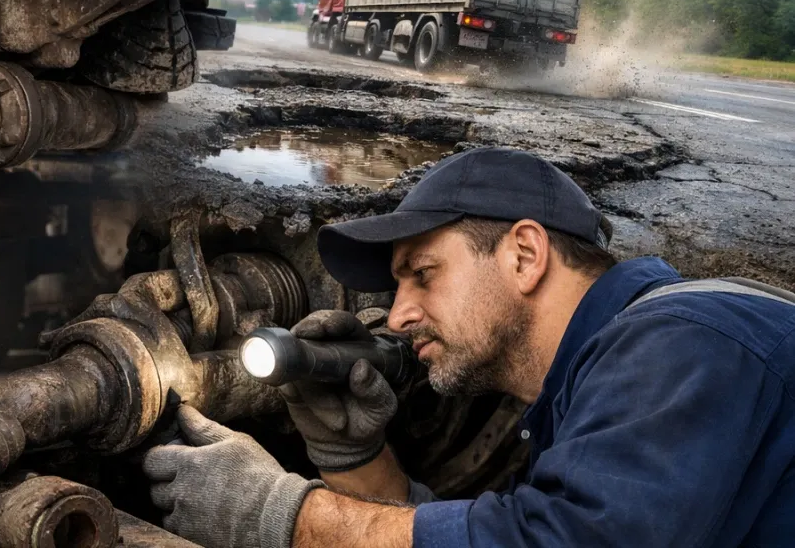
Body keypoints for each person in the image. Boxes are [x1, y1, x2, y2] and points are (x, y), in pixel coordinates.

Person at [142, 147, 795, 548]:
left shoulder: (684, 341)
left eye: (422, 274)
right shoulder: (584, 393)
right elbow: (501, 531)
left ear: (524, 255)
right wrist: (354, 457)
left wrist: (278, 514)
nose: (399, 315)